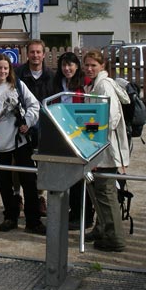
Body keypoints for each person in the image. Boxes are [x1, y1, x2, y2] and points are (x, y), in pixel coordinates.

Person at [0, 53, 46, 235]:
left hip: (20, 142)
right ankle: (10, 217)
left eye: (5, 68)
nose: (2, 71)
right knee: (4, 184)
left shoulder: (18, 86)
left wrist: (27, 121)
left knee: (29, 181)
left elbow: (34, 105)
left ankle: (33, 220)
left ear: (9, 69)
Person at [82, 49, 130, 252]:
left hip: (105, 149)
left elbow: (110, 118)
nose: (90, 68)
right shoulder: (96, 85)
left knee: (105, 192)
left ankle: (115, 238)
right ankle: (102, 229)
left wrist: (92, 135)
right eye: (87, 65)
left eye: (94, 65)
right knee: (98, 190)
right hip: (99, 147)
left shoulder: (104, 85)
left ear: (102, 66)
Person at [52, 52, 94, 230]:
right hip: (63, 134)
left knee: (81, 176)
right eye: (63, 65)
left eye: (70, 65)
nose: (67, 68)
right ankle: (73, 211)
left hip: (81, 135)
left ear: (77, 66)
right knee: (68, 175)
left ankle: (85, 216)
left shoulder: (84, 83)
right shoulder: (58, 83)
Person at [14, 39, 55, 216]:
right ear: (27, 54)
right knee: (17, 163)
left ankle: (39, 197)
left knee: (42, 162)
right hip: (21, 126)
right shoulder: (17, 74)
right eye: (32, 52)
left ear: (44, 54)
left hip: (44, 127)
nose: (35, 55)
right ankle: (17, 197)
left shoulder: (52, 75)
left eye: (38, 52)